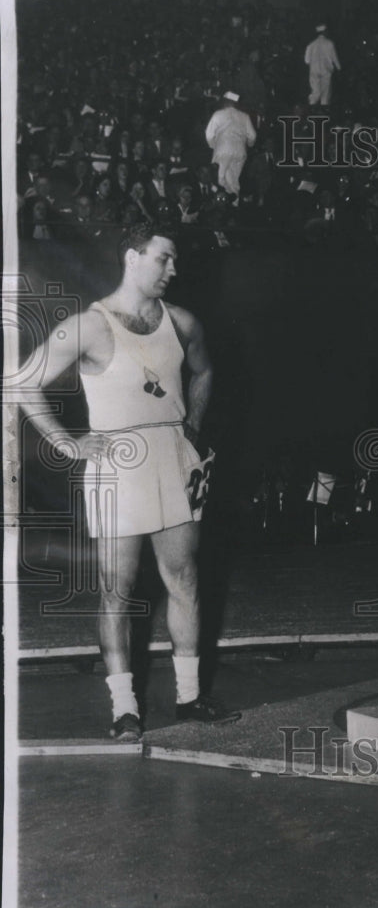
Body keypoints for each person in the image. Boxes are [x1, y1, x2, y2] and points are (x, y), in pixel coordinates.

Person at [16, 222, 241, 741]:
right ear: (132, 258)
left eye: (176, 260)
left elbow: (204, 373)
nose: (173, 269)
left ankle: (189, 698)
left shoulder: (183, 321)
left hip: (173, 458)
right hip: (116, 463)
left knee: (183, 579)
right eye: (164, 258)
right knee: (116, 589)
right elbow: (25, 382)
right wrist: (67, 443)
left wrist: (193, 427)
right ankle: (124, 709)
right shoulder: (89, 327)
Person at [204, 91, 256, 201]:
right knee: (234, 180)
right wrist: (249, 145)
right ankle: (234, 205)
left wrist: (214, 146)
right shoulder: (244, 116)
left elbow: (209, 134)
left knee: (220, 179)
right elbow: (252, 135)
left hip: (222, 150)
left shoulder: (218, 114)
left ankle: (222, 204)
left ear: (225, 102)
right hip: (240, 152)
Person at [304, 24, 341, 109]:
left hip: (314, 72)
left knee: (315, 93)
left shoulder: (311, 45)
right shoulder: (330, 43)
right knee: (325, 95)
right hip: (326, 72)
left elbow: (307, 61)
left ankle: (311, 110)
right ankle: (324, 113)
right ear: (324, 32)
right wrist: (339, 69)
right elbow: (335, 58)